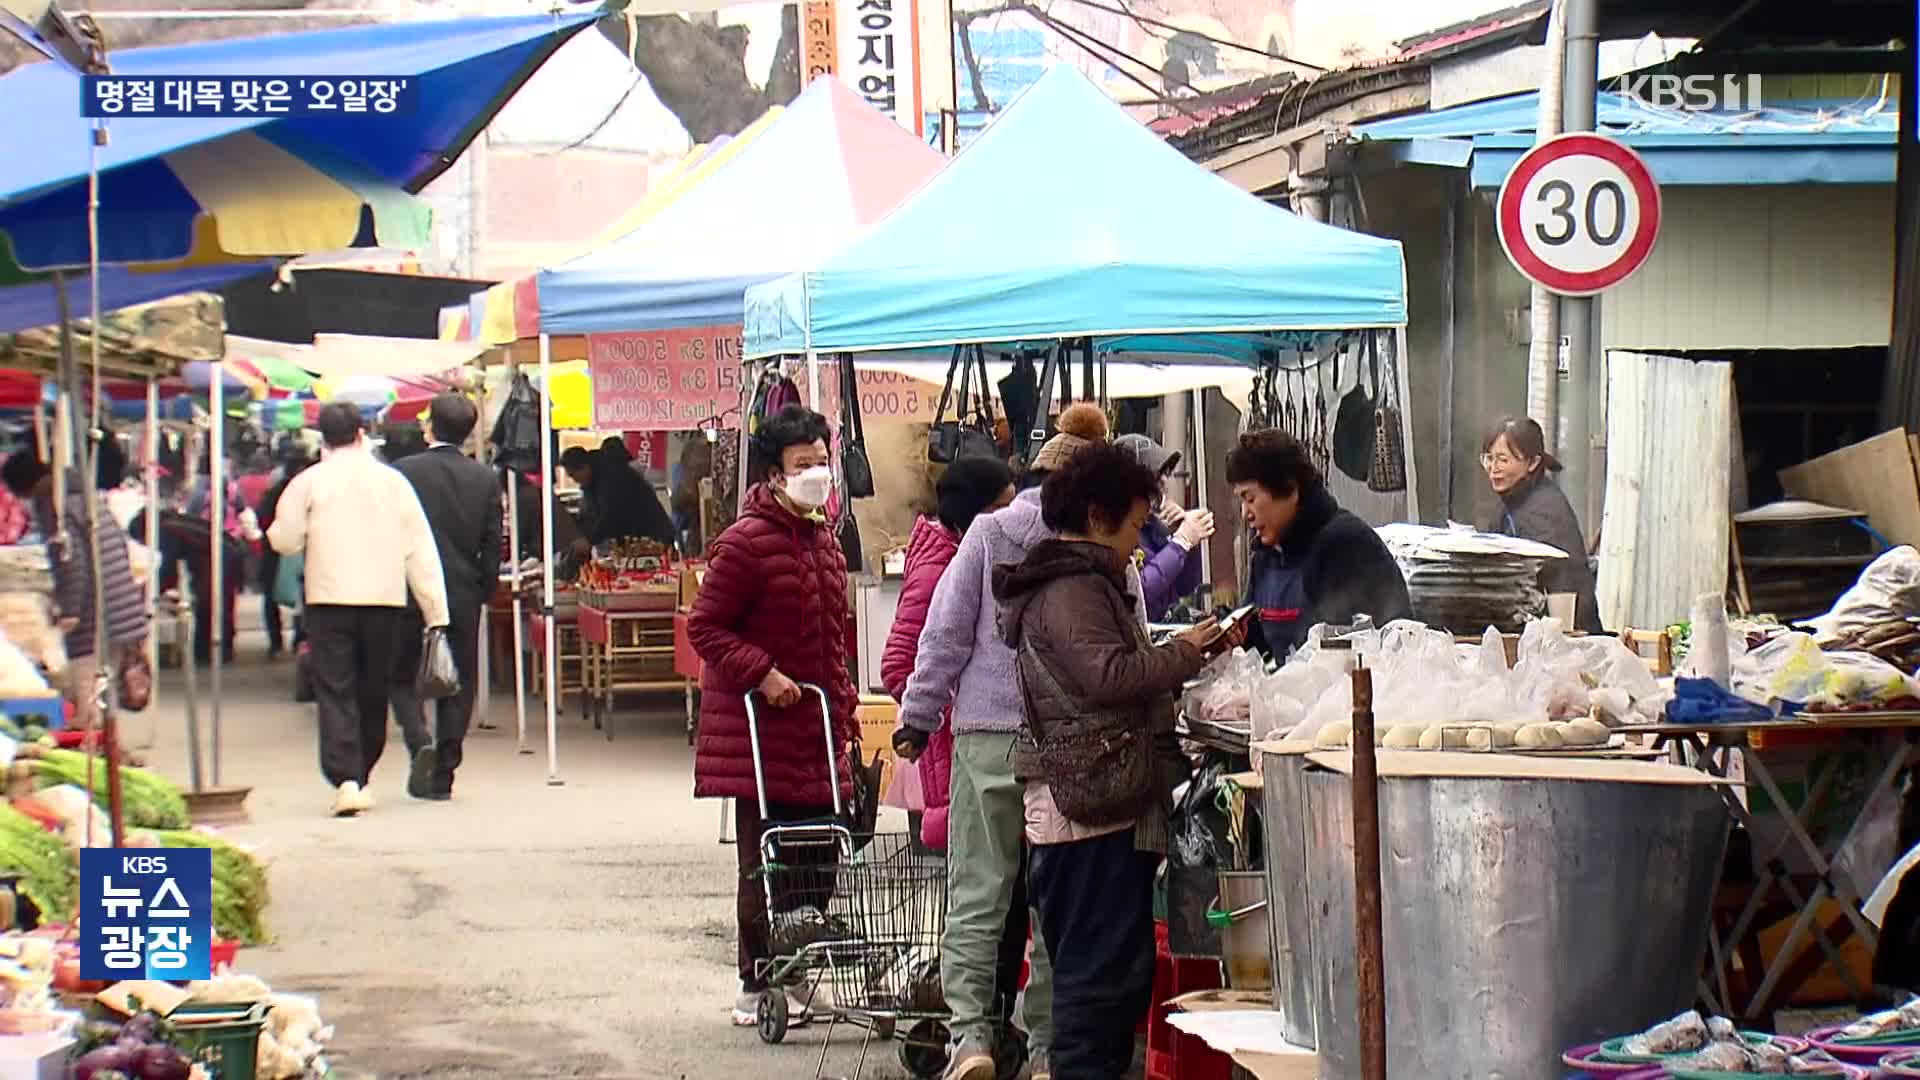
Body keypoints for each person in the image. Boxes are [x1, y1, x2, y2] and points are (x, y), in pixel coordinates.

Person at [994, 444, 1241, 1079]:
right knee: (1094, 989)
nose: (1139, 542)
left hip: (1094, 805)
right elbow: (1109, 675)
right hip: (1085, 812)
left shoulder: (1079, 583)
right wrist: (1189, 650)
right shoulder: (1073, 588)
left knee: (1112, 980)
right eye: (1134, 525)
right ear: (1099, 515)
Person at [891, 400, 1122, 1080]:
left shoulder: (991, 532)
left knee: (978, 893)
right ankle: (1048, 1044)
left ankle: (971, 1039)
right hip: (1064, 742)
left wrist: (919, 714)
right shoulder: (1102, 542)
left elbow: (945, 631)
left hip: (988, 737)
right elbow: (1125, 635)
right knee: (1054, 900)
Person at [686, 404, 859, 1029]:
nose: (816, 474)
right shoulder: (744, 542)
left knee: (819, 857)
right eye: (802, 465)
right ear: (775, 474)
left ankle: (802, 968)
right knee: (766, 861)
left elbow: (834, 638)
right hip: (761, 730)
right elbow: (704, 627)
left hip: (816, 728)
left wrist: (843, 711)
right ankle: (755, 981)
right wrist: (762, 671)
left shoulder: (825, 540)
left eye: (822, 463)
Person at [879, 457, 1026, 1066]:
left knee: (996, 897)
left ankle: (984, 1030)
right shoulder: (955, 560)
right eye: (1009, 498)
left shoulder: (975, 547)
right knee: (991, 895)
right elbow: (906, 658)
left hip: (972, 739)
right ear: (988, 508)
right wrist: (927, 719)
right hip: (962, 745)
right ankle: (982, 1030)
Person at [268, 402, 450, 818]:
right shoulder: (393, 482)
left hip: (328, 599)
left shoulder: (309, 482)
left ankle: (346, 777)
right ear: (362, 432)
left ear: (323, 437)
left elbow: (285, 541)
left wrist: (283, 531)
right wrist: (435, 611)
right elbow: (419, 549)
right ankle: (361, 771)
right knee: (373, 689)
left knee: (334, 688)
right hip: (384, 601)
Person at [389, 394, 503, 802]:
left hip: (408, 589)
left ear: (430, 426)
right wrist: (484, 587)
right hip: (462, 590)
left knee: (401, 674)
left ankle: (420, 739)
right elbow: (493, 544)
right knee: (460, 680)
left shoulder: (402, 473)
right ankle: (445, 768)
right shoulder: (484, 478)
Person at [1227, 429, 1411, 659]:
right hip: (1288, 693)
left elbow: (1343, 650)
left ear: (1290, 489)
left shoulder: (1345, 545)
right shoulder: (1266, 557)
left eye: (1250, 498)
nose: (1245, 514)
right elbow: (1260, 647)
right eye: (1241, 501)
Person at [0, 453, 149, 735]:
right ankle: (109, 753)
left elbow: (72, 561)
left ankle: (96, 754)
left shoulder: (55, 504)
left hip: (97, 608)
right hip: (117, 602)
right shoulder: (79, 494)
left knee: (88, 693)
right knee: (103, 691)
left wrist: (70, 611)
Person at [1480, 415, 1602, 632]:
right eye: (1489, 458)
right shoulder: (1511, 501)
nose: (1493, 468)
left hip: (1564, 634)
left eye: (1503, 460)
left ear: (1532, 463)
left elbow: (1557, 586)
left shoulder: (1544, 511)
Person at [1114, 433, 1213, 620]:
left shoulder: (1152, 526)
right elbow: (1138, 593)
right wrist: (1180, 543)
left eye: (1164, 474)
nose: (1164, 483)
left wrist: (1187, 542)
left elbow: (1184, 586)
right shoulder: (1115, 529)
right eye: (1156, 476)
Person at [559, 442, 674, 550]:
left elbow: (612, 514)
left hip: (652, 537)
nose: (574, 480)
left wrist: (589, 540)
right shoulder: (592, 480)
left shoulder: (611, 475)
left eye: (573, 475)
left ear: (584, 467)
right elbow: (590, 516)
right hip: (636, 538)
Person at [257, 446, 313, 660]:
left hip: (275, 552)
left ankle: (276, 642)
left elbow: (264, 520)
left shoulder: (275, 491)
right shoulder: (309, 490)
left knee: (271, 598)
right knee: (306, 597)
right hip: (304, 552)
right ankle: (300, 638)